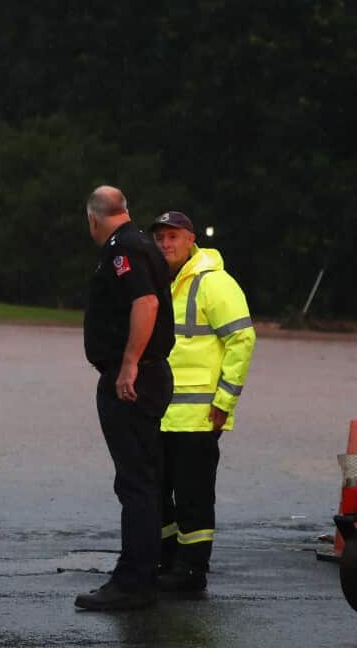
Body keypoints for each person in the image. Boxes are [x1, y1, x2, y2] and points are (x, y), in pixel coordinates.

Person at [75, 185, 175, 612]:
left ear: (93, 219)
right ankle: (143, 575)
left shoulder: (123, 249)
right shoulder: (140, 242)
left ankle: (132, 582)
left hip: (133, 380)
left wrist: (129, 363)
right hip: (146, 376)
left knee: (135, 485)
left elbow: (146, 302)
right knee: (144, 482)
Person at [149, 211, 255, 592]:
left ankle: (192, 569)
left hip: (198, 415)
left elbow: (242, 340)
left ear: (191, 239)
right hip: (161, 413)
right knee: (157, 489)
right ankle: (167, 559)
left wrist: (225, 400)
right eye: (160, 237)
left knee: (192, 495)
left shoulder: (215, 283)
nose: (165, 244)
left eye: (173, 237)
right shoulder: (162, 281)